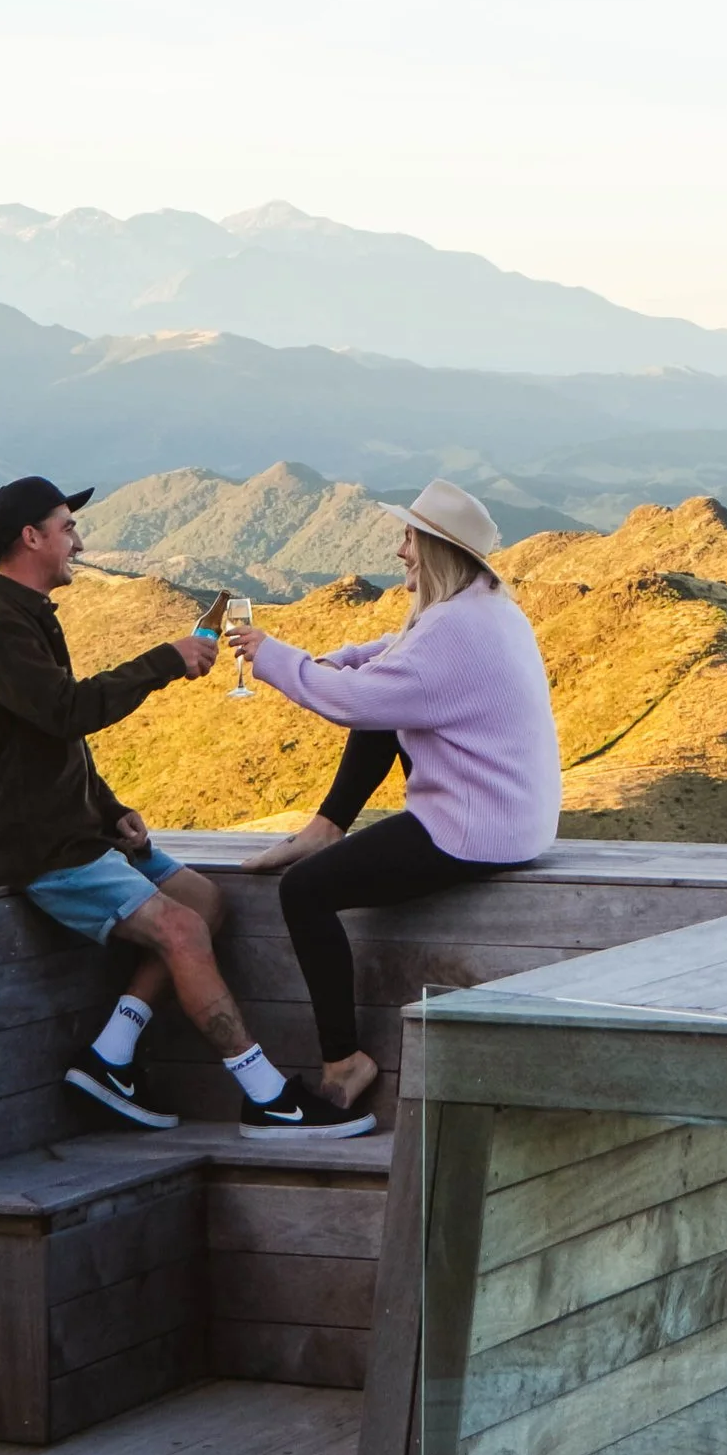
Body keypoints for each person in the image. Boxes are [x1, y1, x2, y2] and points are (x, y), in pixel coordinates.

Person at [0, 474, 352, 1136]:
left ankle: (111, 1056)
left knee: (204, 903)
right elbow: (64, 712)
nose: (78, 540)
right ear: (31, 537)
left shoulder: (23, 616)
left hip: (76, 829)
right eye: (67, 527)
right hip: (38, 845)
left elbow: (46, 740)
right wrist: (164, 660)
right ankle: (266, 1095)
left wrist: (108, 809)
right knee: (182, 930)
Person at [224, 478, 562, 1128]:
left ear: (435, 549)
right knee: (381, 703)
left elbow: (355, 701)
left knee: (305, 891)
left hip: (474, 825)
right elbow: (386, 660)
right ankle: (327, 826)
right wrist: (320, 660)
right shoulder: (480, 608)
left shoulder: (455, 629)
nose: (400, 549)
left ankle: (343, 1066)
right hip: (507, 812)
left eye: (409, 537)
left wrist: (273, 660)